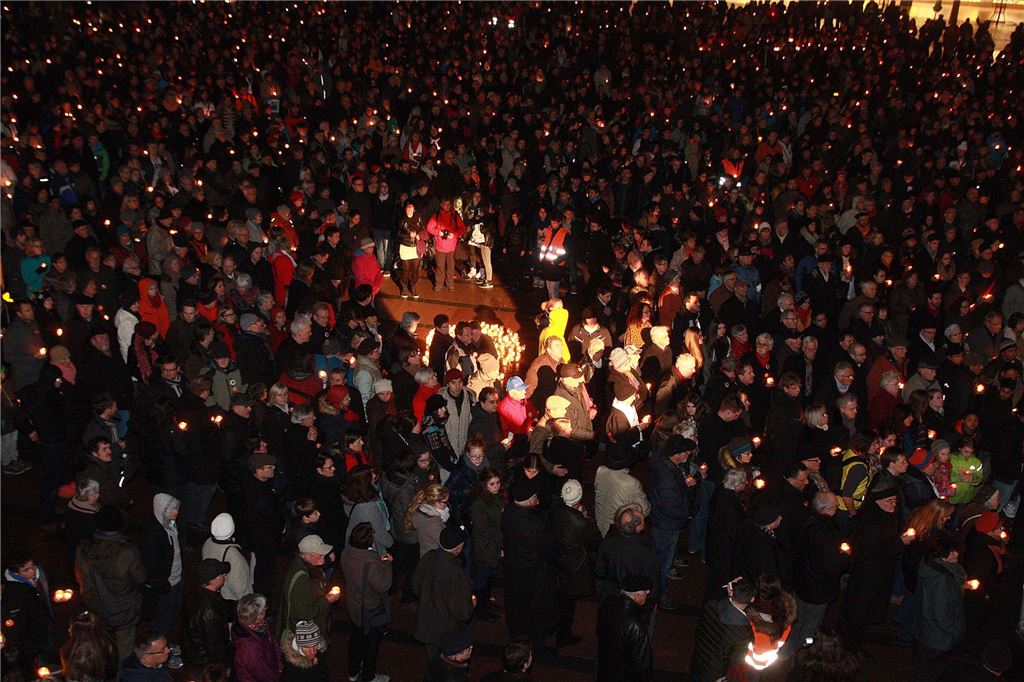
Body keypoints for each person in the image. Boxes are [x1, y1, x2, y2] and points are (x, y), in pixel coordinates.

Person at [839, 484, 914, 653]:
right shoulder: (871, 521)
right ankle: (850, 646)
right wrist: (901, 543)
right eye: (889, 501)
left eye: (895, 501)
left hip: (879, 573)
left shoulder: (886, 517)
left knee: (865, 612)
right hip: (868, 574)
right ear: (877, 502)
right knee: (859, 611)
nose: (893, 505)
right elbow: (874, 550)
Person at [75, 506, 146, 659]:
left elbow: (79, 576)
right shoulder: (127, 551)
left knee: (98, 641)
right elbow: (140, 578)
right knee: (125, 643)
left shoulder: (83, 548)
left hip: (94, 605)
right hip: (123, 608)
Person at [502, 478, 559, 651]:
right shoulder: (535, 523)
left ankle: (515, 635)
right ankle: (538, 644)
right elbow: (550, 552)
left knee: (516, 605)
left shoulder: (508, 511)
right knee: (537, 609)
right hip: (534, 574)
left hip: (513, 569)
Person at [411, 526, 474, 678]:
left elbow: (415, 587)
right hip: (447, 630)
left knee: (433, 661)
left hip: (426, 624)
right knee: (450, 669)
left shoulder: (429, 557)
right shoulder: (458, 574)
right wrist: (472, 604)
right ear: (458, 548)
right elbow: (463, 613)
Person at [549, 478, 600, 649]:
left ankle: (552, 627)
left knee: (557, 600)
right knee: (568, 605)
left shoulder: (555, 509)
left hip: (555, 562)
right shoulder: (579, 522)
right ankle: (563, 636)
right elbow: (595, 542)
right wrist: (587, 519)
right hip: (573, 567)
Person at [339, 522, 393, 682]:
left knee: (356, 639)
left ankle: (353, 671)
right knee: (372, 644)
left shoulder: (346, 553)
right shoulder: (371, 562)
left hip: (354, 605)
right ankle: (369, 675)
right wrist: (387, 563)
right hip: (370, 608)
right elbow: (383, 585)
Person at [648, 436, 697, 611]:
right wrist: (687, 513)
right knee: (662, 562)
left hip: (663, 521)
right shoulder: (666, 476)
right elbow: (671, 505)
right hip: (667, 524)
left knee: (661, 558)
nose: (689, 455)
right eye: (687, 452)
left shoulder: (664, 465)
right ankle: (660, 596)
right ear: (677, 454)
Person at [911, 534, 967, 682]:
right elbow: (941, 613)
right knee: (930, 668)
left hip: (927, 628)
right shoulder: (942, 580)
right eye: (953, 552)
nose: (957, 554)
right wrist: (956, 629)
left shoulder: (931, 567)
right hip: (937, 634)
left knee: (922, 664)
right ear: (942, 556)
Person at [139, 493, 184, 668]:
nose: (176, 513)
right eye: (171, 510)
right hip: (166, 585)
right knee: (162, 622)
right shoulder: (152, 534)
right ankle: (159, 655)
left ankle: (167, 643)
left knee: (173, 614)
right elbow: (151, 568)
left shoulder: (170, 525)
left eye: (176, 508)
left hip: (176, 578)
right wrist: (162, 584)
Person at [690, 577, 755, 682]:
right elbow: (735, 664)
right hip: (716, 674)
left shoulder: (711, 605)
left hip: (699, 662)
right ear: (752, 599)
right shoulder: (743, 633)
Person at [594, 504, 660, 606]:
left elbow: (599, 570)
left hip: (610, 595)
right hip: (633, 600)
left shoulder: (608, 542)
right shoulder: (645, 553)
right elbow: (652, 583)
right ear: (637, 527)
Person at [278, 535, 340, 640]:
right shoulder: (301, 580)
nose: (323, 556)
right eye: (319, 554)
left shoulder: (306, 566)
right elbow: (302, 613)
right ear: (307, 556)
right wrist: (327, 600)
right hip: (305, 636)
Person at [596, 574, 654, 682]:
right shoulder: (636, 626)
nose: (648, 593)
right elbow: (641, 664)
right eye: (646, 591)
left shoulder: (609, 603)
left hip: (606, 668)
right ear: (637, 596)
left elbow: (599, 632)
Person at [181, 559, 234, 672]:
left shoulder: (192, 594)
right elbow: (214, 645)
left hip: (191, 655)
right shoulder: (210, 611)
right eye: (222, 574)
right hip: (205, 663)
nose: (225, 576)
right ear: (215, 580)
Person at [594, 446, 651, 536]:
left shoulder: (600, 470)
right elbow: (644, 510)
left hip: (598, 522)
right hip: (616, 529)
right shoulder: (632, 483)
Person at [201, 512, 254, 604]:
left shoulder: (208, 542)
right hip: (230, 599)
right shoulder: (233, 555)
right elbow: (240, 589)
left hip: (217, 596)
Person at [231, 594, 282, 682]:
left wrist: (279, 663)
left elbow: (272, 642)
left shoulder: (259, 625)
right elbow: (263, 674)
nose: (266, 609)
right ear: (258, 616)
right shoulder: (249, 648)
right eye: (264, 609)